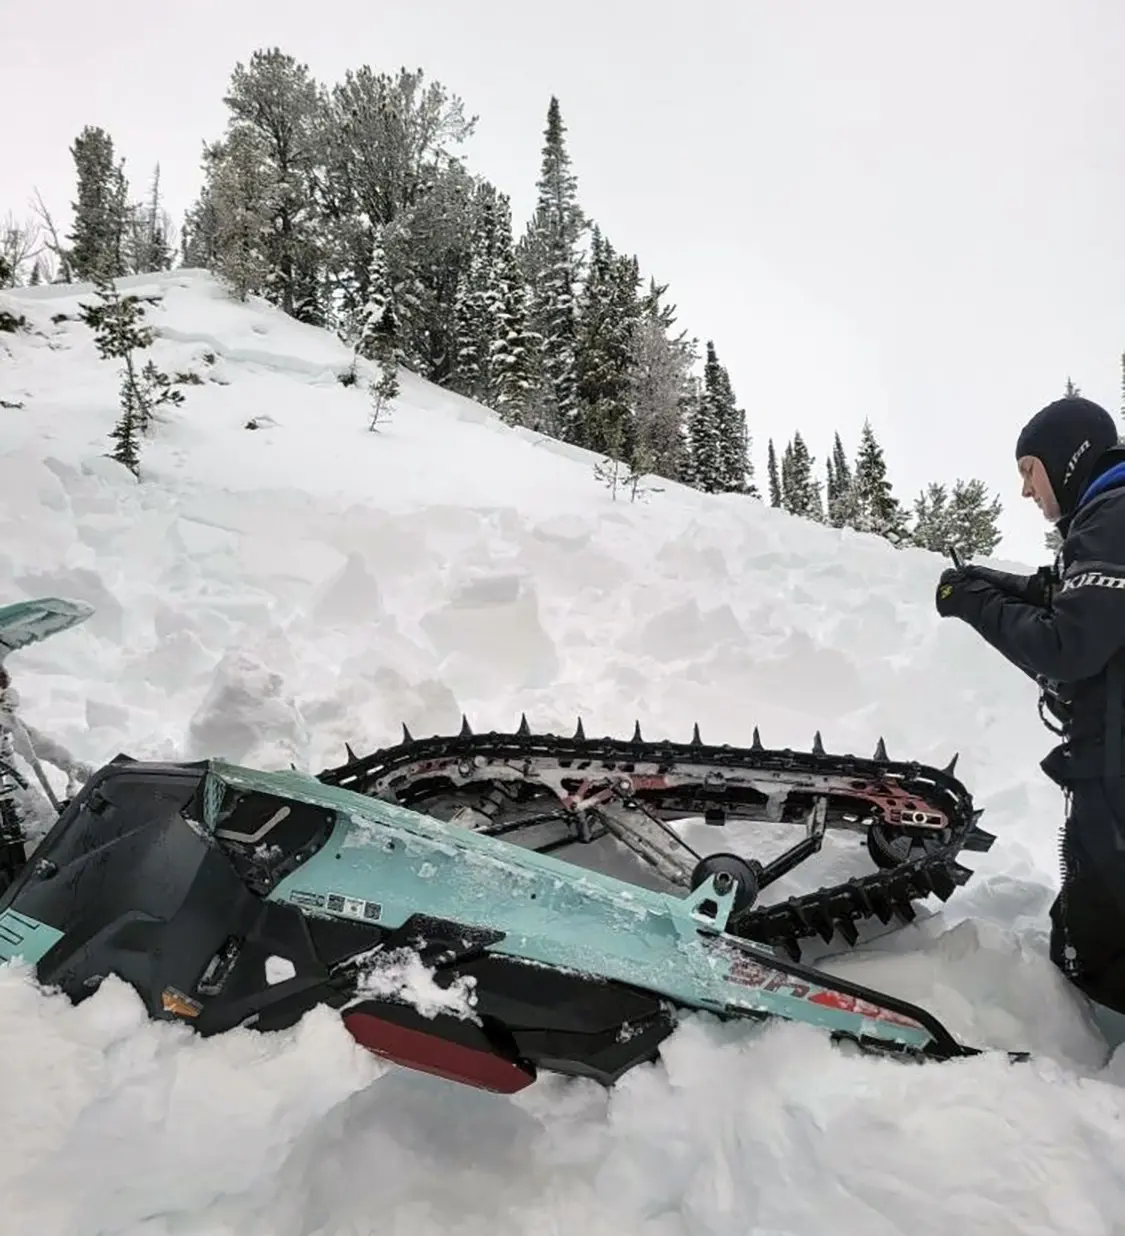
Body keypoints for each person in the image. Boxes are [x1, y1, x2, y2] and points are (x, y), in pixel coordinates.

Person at [934, 394, 1125, 1032]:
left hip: (1117, 772)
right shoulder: (1109, 517)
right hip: (1108, 762)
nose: (1024, 490)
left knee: (1093, 950)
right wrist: (988, 584)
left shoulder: (1115, 516)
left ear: (1067, 461)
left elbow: (1068, 645)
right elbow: (1064, 599)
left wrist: (973, 604)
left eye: (1029, 469)